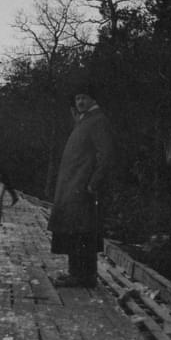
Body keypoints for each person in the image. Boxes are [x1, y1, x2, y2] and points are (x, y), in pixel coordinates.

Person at [48, 90, 114, 288]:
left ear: (94, 99)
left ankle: (84, 276)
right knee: (72, 229)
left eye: (85, 97)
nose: (80, 102)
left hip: (82, 187)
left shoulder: (98, 120)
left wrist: (95, 182)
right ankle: (76, 273)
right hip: (72, 186)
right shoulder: (84, 121)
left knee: (82, 231)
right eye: (77, 98)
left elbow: (107, 154)